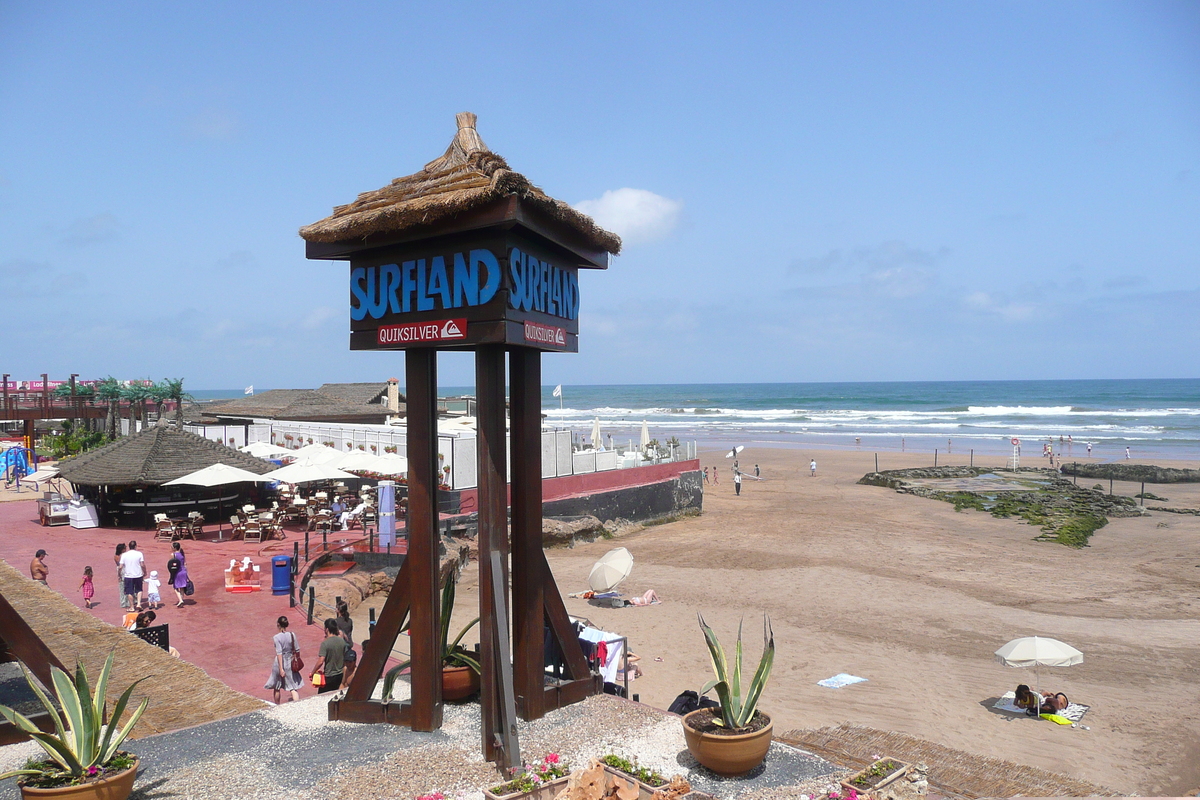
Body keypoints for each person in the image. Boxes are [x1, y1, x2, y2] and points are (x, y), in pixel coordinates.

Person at [265, 615, 303, 704]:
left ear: (278, 624)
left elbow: (279, 653)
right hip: (290, 661)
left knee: (277, 687)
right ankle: (297, 706)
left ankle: (278, 705)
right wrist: (296, 660)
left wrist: (281, 668)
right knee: (293, 687)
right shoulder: (292, 635)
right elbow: (297, 649)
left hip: (279, 663)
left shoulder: (276, 637)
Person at [312, 618, 345, 694]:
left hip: (329, 676)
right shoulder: (342, 641)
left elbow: (321, 661)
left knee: (322, 696)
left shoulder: (325, 644)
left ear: (326, 629)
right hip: (340, 674)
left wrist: (313, 672)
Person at [119, 541, 146, 610]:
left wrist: (119, 574)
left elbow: (120, 566)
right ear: (135, 546)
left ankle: (132, 606)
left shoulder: (124, 555)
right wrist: (144, 572)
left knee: (129, 591)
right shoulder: (139, 554)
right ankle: (139, 604)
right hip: (138, 574)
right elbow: (142, 564)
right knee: (139, 590)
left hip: (128, 575)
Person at [335, 602, 357, 687]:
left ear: (339, 610)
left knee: (344, 665)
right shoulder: (350, 621)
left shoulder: (336, 622)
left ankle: (345, 682)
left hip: (342, 645)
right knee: (349, 664)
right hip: (349, 643)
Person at [169, 541, 189, 607]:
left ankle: (180, 600)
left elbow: (171, 564)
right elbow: (185, 564)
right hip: (183, 571)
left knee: (175, 587)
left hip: (177, 572)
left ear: (174, 548)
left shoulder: (173, 555)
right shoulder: (182, 554)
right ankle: (181, 599)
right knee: (182, 587)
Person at [114, 543, 129, 609]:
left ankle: (125, 602)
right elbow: (121, 564)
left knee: (124, 587)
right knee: (125, 587)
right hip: (123, 570)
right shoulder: (120, 556)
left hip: (122, 570)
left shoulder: (118, 556)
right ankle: (125, 602)